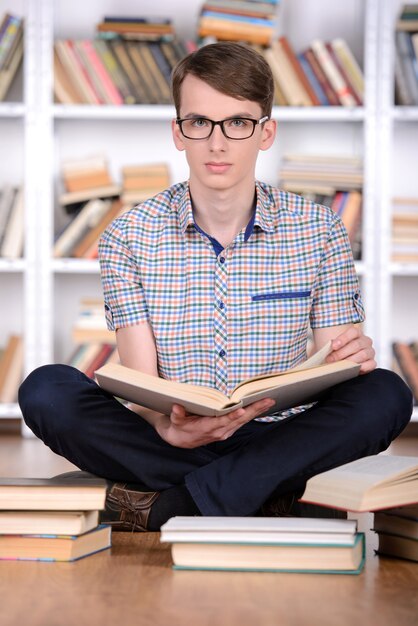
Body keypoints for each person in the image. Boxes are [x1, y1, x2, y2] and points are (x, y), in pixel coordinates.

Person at [19, 42, 412, 531]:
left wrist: (351, 357)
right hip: (172, 441)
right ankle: (269, 491)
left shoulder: (319, 228)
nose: (218, 143)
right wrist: (168, 426)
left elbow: (335, 366)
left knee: (385, 393)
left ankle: (171, 507)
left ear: (265, 133)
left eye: (238, 123)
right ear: (178, 132)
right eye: (200, 123)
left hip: (282, 434)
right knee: (45, 390)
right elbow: (143, 385)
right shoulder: (128, 234)